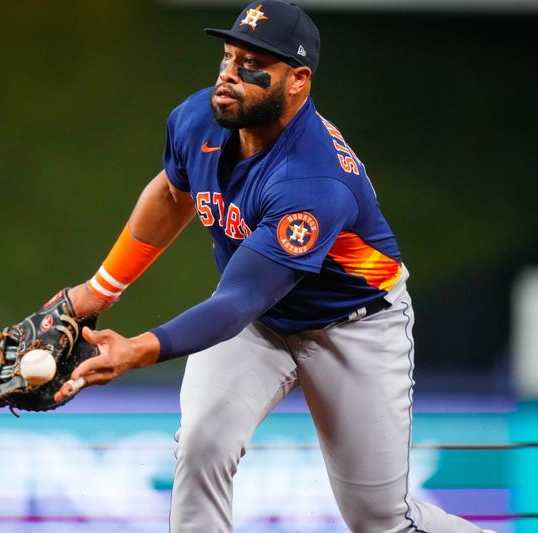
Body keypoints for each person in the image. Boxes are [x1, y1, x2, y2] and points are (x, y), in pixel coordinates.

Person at [51, 2, 492, 532]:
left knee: (380, 522)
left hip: (354, 326)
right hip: (262, 322)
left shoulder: (313, 181)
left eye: (253, 64)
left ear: (298, 81)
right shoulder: (200, 119)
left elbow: (235, 303)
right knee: (201, 446)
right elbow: (173, 194)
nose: (229, 74)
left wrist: (135, 351)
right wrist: (100, 290)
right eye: (228, 56)